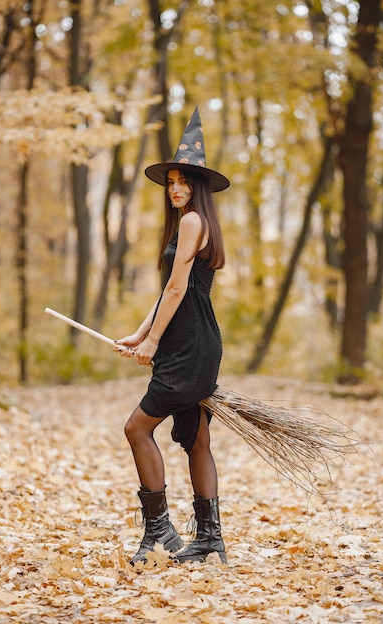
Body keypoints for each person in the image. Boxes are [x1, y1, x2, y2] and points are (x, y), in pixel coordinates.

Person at [114, 107, 230, 566]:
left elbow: (180, 288)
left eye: (184, 181)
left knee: (136, 428)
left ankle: (162, 535)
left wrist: (154, 343)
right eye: (171, 182)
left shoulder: (191, 221)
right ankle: (210, 540)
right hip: (195, 342)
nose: (177, 188)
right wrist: (140, 333)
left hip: (188, 347)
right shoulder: (194, 223)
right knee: (198, 441)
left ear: (199, 187)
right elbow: (170, 289)